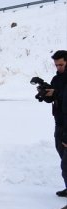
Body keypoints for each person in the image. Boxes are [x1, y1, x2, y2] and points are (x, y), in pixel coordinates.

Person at [42, 50, 67, 198]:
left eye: (61, 65)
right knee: (62, 155)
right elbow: (53, 99)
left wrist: (56, 93)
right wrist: (45, 94)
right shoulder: (56, 79)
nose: (59, 68)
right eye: (56, 65)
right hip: (59, 123)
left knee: (66, 163)